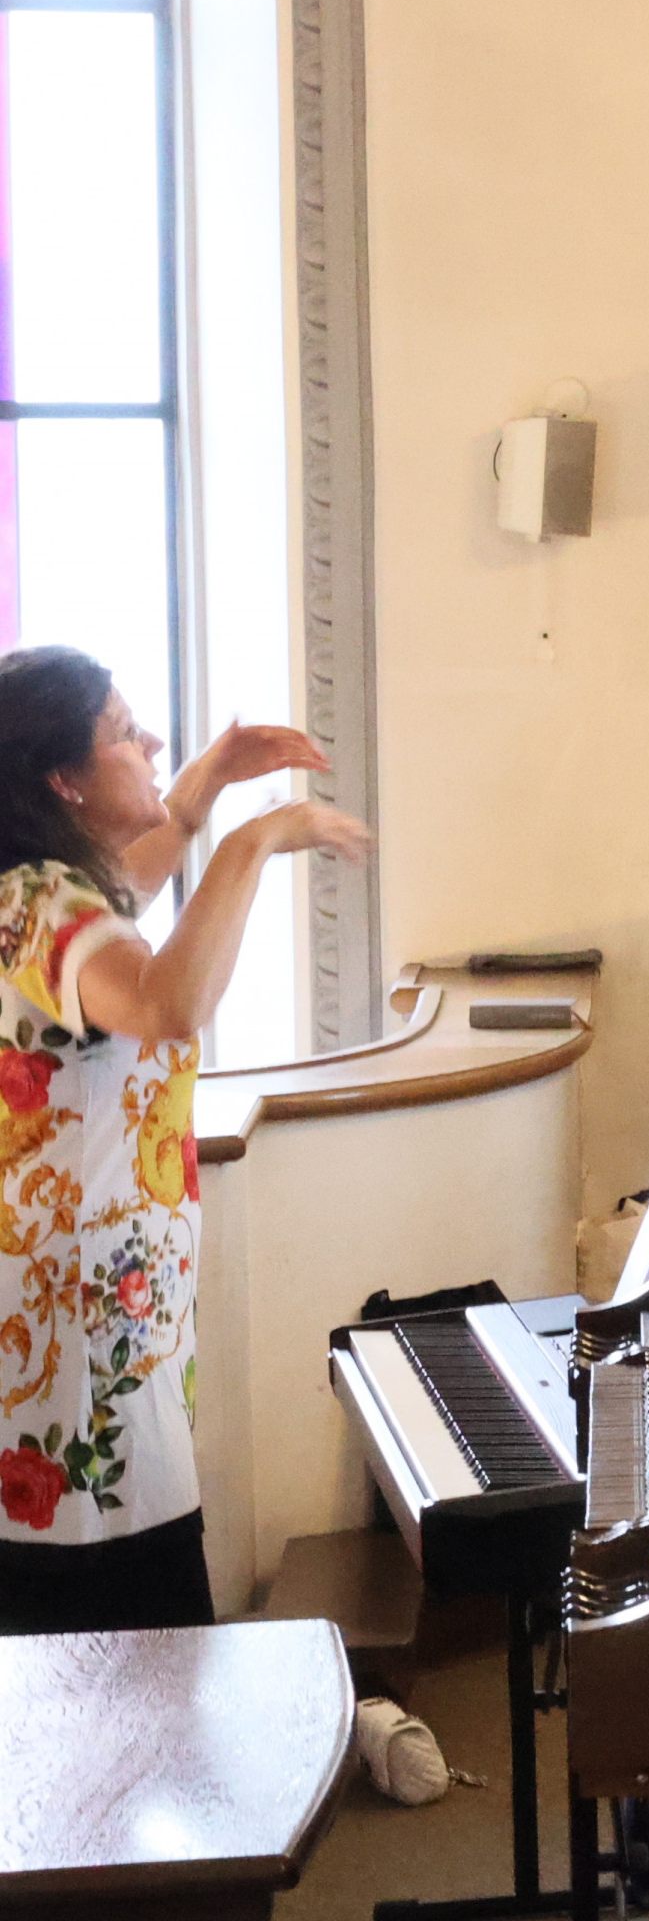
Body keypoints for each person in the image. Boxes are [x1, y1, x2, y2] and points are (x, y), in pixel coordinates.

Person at [0, 652, 367, 1633]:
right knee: (136, 1654)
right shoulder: (40, 904)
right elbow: (165, 998)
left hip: (82, 1325)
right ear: (62, 780)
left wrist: (200, 788)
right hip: (75, 1356)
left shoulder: (43, 892)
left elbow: (125, 904)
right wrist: (254, 841)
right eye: (124, 731)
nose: (149, 741)